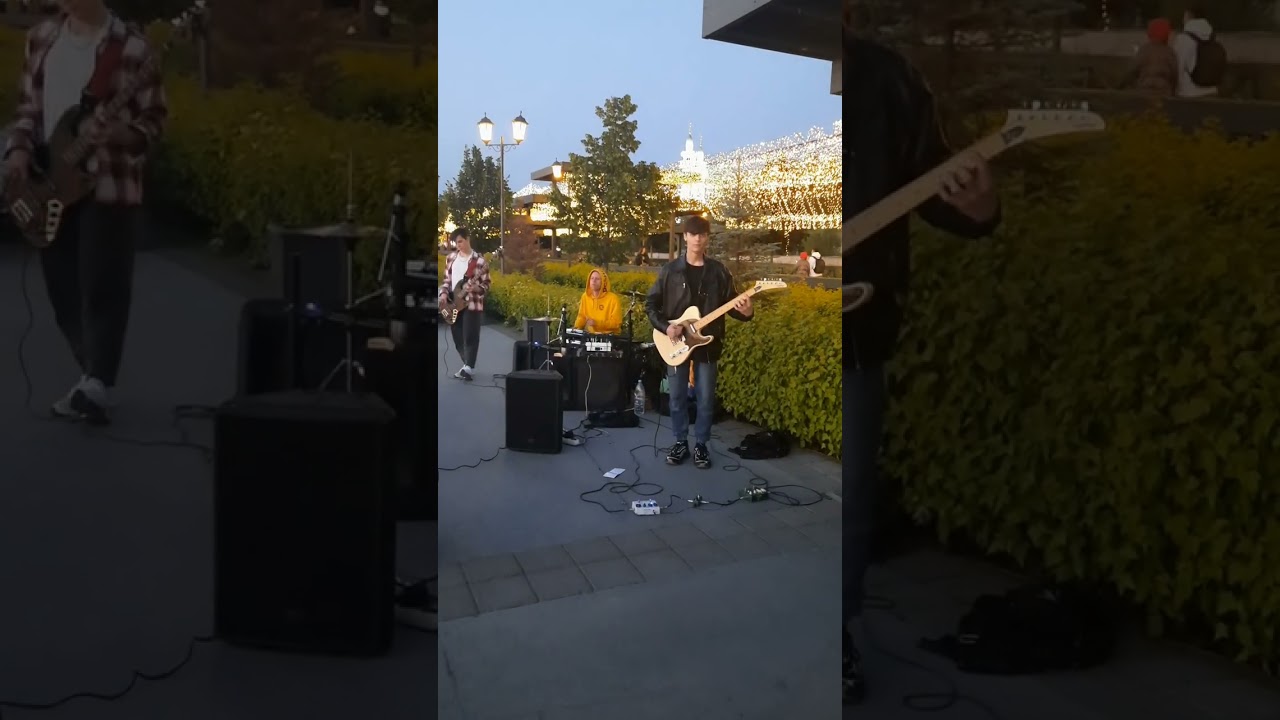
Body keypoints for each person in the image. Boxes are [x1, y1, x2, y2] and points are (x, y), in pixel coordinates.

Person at [845, 32, 1002, 706]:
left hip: (860, 327)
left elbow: (935, 182)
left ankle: (836, 635)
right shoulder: (776, 65)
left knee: (852, 498)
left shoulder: (889, 80)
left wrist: (979, 207)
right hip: (796, 305)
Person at [2, 0, 167, 425]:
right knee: (62, 290)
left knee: (103, 284)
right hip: (51, 181)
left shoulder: (132, 47)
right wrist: (17, 151)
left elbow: (154, 123)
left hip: (108, 183)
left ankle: (98, 382)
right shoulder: (41, 39)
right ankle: (91, 378)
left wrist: (120, 133)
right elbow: (28, 110)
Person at [644, 215, 753, 469]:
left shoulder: (719, 271)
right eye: (693, 234)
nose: (697, 239)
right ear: (685, 237)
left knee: (705, 399)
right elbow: (650, 304)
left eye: (702, 235)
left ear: (707, 239)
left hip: (708, 345)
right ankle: (680, 441)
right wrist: (666, 327)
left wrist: (747, 312)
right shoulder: (669, 271)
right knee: (676, 397)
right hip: (676, 342)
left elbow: (732, 305)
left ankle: (701, 444)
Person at [438, 227, 491, 382]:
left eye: (461, 241)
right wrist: (443, 295)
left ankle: (469, 367)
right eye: (456, 242)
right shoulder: (451, 258)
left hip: (472, 303)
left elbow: (487, 284)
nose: (458, 245)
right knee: (457, 337)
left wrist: (476, 288)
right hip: (454, 302)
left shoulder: (479, 261)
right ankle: (467, 365)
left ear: (468, 239)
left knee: (470, 336)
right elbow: (446, 281)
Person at [1173, 4, 1224, 98]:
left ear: (1189, 16)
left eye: (1184, 16)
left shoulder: (1183, 39)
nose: (1182, 20)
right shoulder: (1213, 37)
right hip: (1212, 92)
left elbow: (1178, 67)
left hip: (1189, 94)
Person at [1121, 19, 1179, 97]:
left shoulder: (1144, 50)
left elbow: (1132, 70)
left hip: (1144, 90)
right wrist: (1173, 91)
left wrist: (1124, 85)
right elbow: (1174, 75)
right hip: (1163, 92)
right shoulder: (1169, 52)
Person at [574, 267, 623, 335]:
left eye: (597, 279)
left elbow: (616, 323)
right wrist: (576, 328)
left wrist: (597, 323)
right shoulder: (585, 296)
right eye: (592, 278)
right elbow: (581, 316)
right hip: (591, 335)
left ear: (603, 282)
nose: (594, 281)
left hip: (609, 336)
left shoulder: (613, 299)